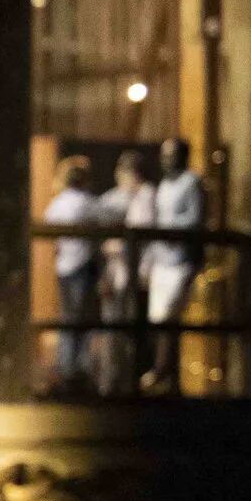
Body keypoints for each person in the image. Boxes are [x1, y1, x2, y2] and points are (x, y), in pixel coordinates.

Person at [142, 136, 206, 394]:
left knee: (170, 315)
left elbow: (194, 218)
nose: (165, 160)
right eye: (163, 155)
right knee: (158, 319)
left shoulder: (191, 182)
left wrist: (168, 229)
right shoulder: (164, 186)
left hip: (180, 259)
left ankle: (165, 372)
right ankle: (163, 372)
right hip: (162, 259)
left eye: (171, 154)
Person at [90, 149, 150, 397]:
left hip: (133, 274)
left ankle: (124, 383)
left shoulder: (144, 197)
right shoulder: (112, 201)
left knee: (126, 330)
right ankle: (112, 383)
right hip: (115, 273)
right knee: (113, 328)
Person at [40, 156, 100, 396]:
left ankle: (66, 364)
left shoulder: (59, 203)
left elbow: (48, 221)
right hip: (83, 264)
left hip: (64, 265)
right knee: (82, 317)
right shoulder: (86, 202)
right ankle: (80, 365)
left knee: (67, 316)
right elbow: (105, 217)